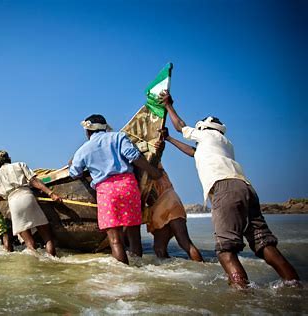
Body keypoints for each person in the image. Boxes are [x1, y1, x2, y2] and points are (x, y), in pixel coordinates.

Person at [160, 90, 300, 288]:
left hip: (224, 189)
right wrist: (169, 140)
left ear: (203, 127)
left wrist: (168, 105)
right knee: (264, 244)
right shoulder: (225, 143)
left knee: (225, 251)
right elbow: (194, 153)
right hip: (246, 188)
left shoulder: (206, 134)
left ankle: (243, 297)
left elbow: (181, 126)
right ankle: (294, 284)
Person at [69, 114, 162, 264]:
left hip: (106, 193)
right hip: (128, 186)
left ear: (87, 132)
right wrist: (152, 171)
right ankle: (139, 270)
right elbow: (133, 156)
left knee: (115, 240)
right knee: (134, 235)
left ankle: (125, 277)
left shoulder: (83, 150)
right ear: (105, 128)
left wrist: (72, 162)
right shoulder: (118, 137)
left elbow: (74, 173)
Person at [0, 150, 61, 256]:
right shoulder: (19, 164)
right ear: (9, 158)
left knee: (30, 244)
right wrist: (51, 193)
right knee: (47, 238)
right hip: (27, 197)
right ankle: (53, 263)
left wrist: (5, 198)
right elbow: (34, 181)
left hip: (13, 204)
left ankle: (37, 268)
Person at [145, 159, 203, 261]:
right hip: (174, 201)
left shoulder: (146, 166)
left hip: (160, 206)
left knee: (159, 248)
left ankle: (168, 272)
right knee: (186, 243)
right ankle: (203, 267)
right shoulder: (157, 165)